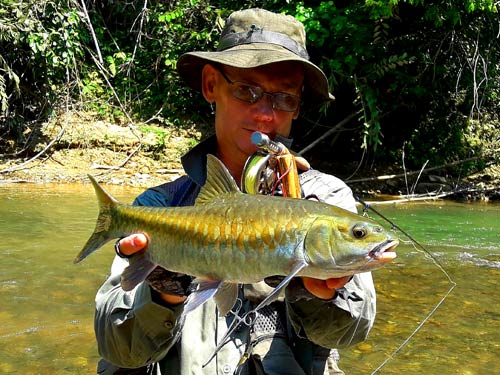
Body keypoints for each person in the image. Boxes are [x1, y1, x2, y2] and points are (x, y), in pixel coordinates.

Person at [95, 8, 376, 375]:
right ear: (211, 85)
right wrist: (165, 291)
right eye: (247, 91)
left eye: (284, 98)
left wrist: (314, 292)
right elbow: (118, 350)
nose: (265, 115)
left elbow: (351, 331)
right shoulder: (159, 207)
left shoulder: (326, 199)